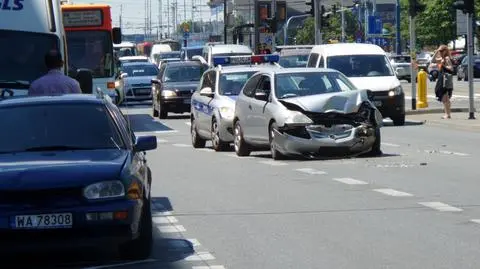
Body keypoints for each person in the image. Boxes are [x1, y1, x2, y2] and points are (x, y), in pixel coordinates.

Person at [433, 45, 454, 119]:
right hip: (442, 79)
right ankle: (447, 114)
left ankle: (447, 114)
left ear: (445, 51)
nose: (440, 52)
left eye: (442, 51)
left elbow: (451, 68)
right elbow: (433, 60)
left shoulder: (447, 58)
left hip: (445, 79)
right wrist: (436, 52)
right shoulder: (442, 58)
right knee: (445, 97)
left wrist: (443, 65)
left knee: (445, 97)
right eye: (440, 51)